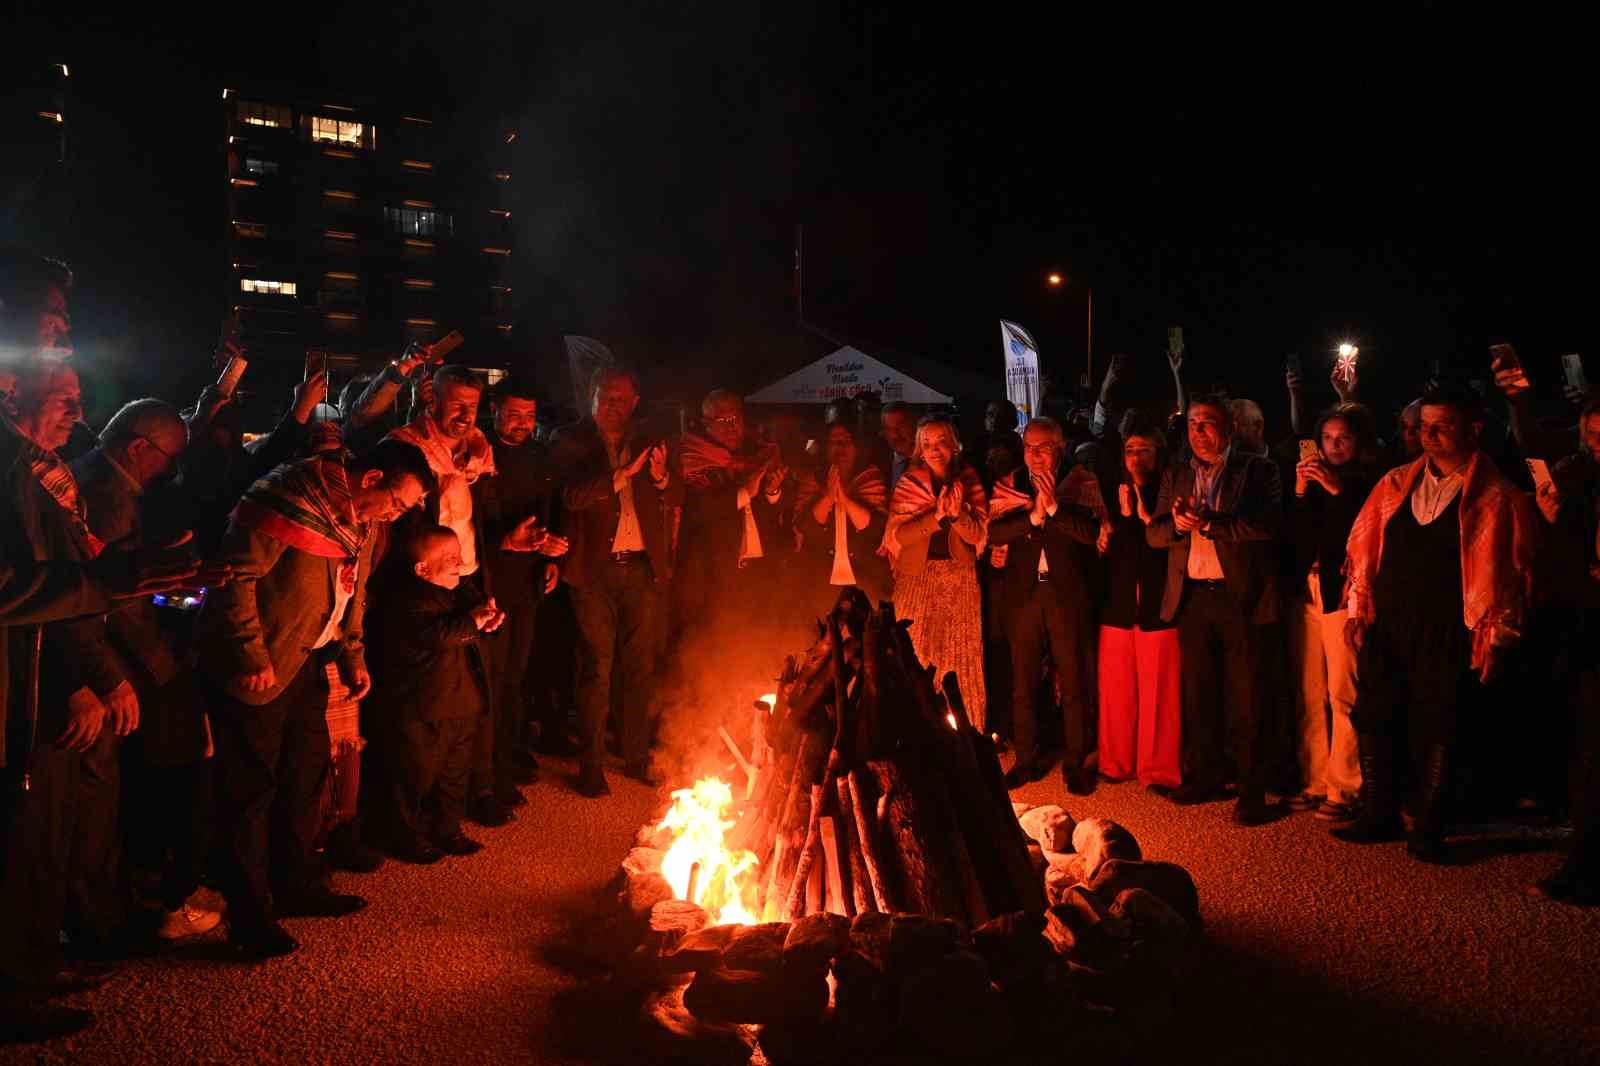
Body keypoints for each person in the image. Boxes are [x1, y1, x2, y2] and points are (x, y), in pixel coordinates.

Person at [0, 253, 196, 1041]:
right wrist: (108, 583)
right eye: (48, 324)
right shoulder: (18, 463)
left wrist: (121, 577)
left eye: (65, 326)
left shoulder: (33, 464)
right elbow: (19, 585)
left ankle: (32, 971)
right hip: (28, 687)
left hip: (32, 684)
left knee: (38, 846)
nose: (61, 338)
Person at [195, 440, 434, 958]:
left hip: (308, 659)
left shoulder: (358, 519)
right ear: (371, 478)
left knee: (305, 775)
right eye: (396, 501)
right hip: (260, 666)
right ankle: (250, 920)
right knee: (250, 790)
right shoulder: (288, 495)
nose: (396, 514)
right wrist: (250, 654)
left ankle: (298, 884)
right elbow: (235, 577)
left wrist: (353, 653)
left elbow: (355, 588)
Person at [1335, 384, 1537, 862]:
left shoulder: (1498, 496)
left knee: (1438, 722)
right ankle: (1376, 813)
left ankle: (1428, 826)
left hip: (1449, 627)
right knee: (1375, 714)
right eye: (1424, 426)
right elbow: (1364, 548)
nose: (1430, 435)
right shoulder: (1396, 484)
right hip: (1390, 622)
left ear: (1474, 429)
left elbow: (1510, 573)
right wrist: (1359, 607)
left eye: (1442, 426)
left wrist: (1498, 636)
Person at [64, 400, 223, 944]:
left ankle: (121, 905)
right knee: (122, 796)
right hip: (120, 662)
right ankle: (117, 914)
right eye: (166, 460)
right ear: (138, 447)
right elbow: (102, 601)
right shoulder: (106, 496)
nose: (168, 472)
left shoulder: (99, 481)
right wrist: (118, 676)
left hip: (119, 658)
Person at [1146, 394, 1284, 826]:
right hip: (1192, 597)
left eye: (1207, 423)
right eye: (1191, 424)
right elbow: (1154, 533)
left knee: (1246, 696)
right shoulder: (1177, 470)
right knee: (1199, 692)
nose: (1198, 432)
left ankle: (1251, 790)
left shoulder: (1259, 469)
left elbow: (1266, 527)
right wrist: (1178, 526)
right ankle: (1205, 777)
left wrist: (1208, 523)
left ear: (1229, 429)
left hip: (1238, 596)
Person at [387, 365, 512, 828]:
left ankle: (470, 792)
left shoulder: (480, 455)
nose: (465, 415)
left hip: (467, 575)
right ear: (432, 401)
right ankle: (409, 813)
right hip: (421, 581)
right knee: (430, 697)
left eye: (473, 407)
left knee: (473, 691)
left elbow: (480, 518)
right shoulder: (406, 448)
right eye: (456, 404)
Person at [551, 367, 681, 797]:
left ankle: (637, 757)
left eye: (622, 400)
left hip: (641, 569)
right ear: (592, 396)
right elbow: (572, 497)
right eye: (606, 398)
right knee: (595, 668)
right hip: (592, 571)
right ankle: (590, 765)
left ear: (635, 402)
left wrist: (661, 478)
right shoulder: (570, 439)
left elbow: (674, 497)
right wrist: (621, 475)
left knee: (640, 669)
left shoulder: (648, 439)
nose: (613, 407)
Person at [368, 526, 504, 863]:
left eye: (459, 555)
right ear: (422, 568)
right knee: (413, 776)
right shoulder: (405, 598)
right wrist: (473, 621)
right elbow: (437, 635)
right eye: (449, 559)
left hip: (460, 701)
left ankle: (448, 830)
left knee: (454, 775)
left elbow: (465, 628)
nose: (459, 564)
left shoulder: (457, 591)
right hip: (421, 707)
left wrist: (485, 622)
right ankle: (404, 836)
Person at [987, 417, 1104, 792]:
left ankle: (1076, 763)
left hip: (1067, 597)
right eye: (1029, 447)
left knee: (1074, 683)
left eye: (1045, 447)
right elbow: (994, 533)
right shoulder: (1010, 485)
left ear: (1062, 448)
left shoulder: (1081, 481)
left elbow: (1091, 534)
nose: (1035, 455)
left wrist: (1054, 510)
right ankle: (1026, 760)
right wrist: (1034, 515)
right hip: (1023, 597)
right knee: (1022, 684)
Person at [1283, 405, 1378, 822]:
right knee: (1308, 692)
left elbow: (1362, 533)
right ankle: (1314, 779)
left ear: (1359, 443)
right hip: (1307, 593)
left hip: (1343, 596)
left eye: (1343, 438)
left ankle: (1345, 787)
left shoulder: (1369, 484)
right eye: (1327, 439)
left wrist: (1337, 491)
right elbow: (1294, 536)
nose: (1333, 446)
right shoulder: (1314, 486)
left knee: (1344, 692)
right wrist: (1302, 491)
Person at [473, 377, 566, 803]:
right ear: (494, 412)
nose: (521, 424)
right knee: (489, 678)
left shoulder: (539, 456)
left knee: (515, 674)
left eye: (528, 416)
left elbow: (548, 508)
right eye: (513, 415)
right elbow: (467, 524)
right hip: (487, 579)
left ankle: (508, 753)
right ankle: (486, 770)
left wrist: (550, 554)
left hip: (527, 581)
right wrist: (506, 542)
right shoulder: (479, 455)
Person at [1529, 398, 1600, 904]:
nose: (1596, 446)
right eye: (1590, 435)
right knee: (1587, 748)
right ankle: (1583, 860)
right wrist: (1556, 520)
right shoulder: (1582, 481)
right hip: (1586, 628)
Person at [882, 413, 989, 728]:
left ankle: (965, 731)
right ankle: (919, 730)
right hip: (917, 580)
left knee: (959, 658)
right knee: (917, 655)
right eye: (926, 443)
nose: (934, 449)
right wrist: (937, 517)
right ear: (919, 448)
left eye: (941, 442)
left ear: (954, 445)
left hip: (959, 580)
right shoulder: (910, 482)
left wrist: (957, 516)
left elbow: (977, 536)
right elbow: (898, 536)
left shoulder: (969, 479)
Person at [1096, 420, 1182, 793]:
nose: (1135, 457)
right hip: (1116, 606)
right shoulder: (1111, 493)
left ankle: (1159, 769)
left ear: (1158, 454)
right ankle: (1116, 761)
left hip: (1156, 606)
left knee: (1159, 693)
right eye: (1130, 450)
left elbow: (1164, 547)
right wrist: (1110, 527)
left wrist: (1141, 517)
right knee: (1116, 690)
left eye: (1143, 449)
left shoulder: (1169, 494)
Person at [676, 389, 791, 634]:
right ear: (706, 424)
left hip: (758, 572)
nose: (732, 427)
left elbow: (774, 515)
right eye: (723, 421)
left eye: (736, 419)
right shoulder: (691, 457)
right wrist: (744, 493)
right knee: (715, 643)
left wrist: (772, 493)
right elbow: (696, 511)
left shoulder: (759, 454)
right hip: (713, 573)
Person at [794, 421, 890, 618]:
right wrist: (829, 497)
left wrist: (845, 500)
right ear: (825, 447)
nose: (841, 448)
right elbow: (806, 528)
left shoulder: (870, 478)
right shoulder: (812, 480)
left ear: (856, 448)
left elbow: (874, 529)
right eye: (834, 442)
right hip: (819, 579)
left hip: (865, 578)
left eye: (846, 441)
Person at [879, 402, 918, 491]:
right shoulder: (878, 463)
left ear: (914, 425)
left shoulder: (932, 461)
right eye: (889, 429)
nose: (896, 434)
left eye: (901, 426)